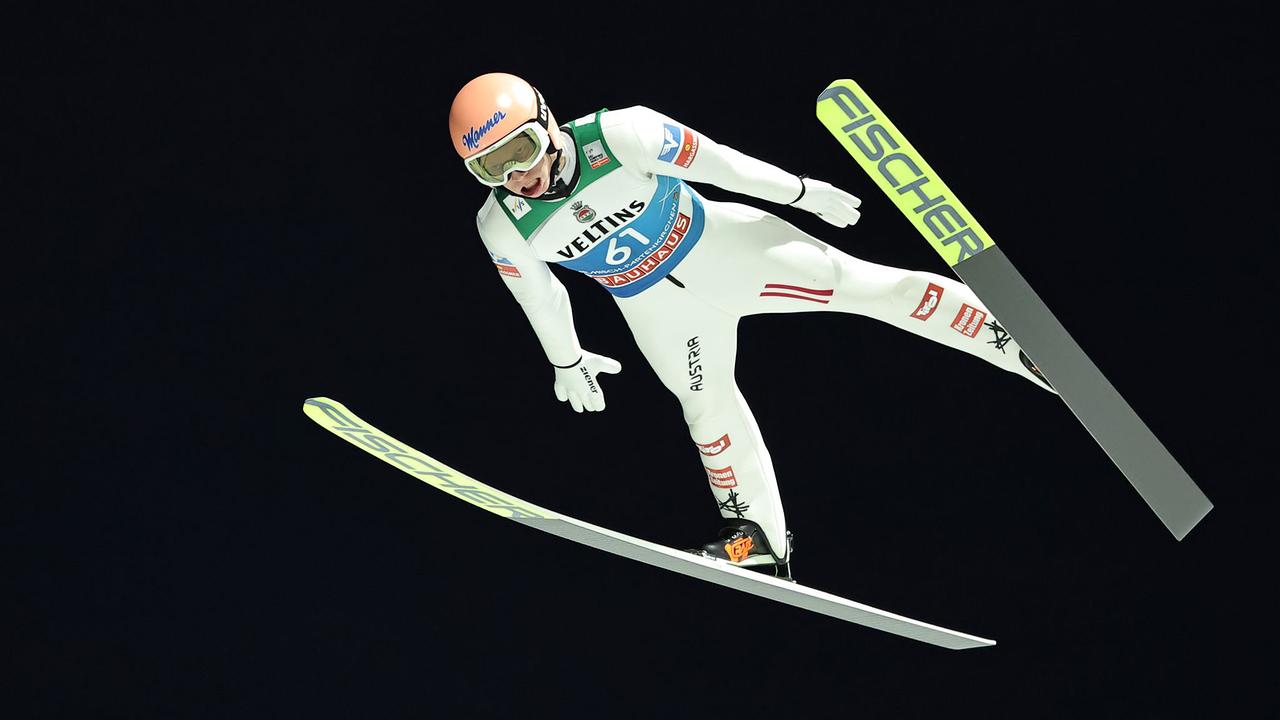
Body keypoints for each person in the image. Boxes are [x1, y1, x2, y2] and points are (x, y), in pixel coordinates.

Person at [449, 73, 1054, 580]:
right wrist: (567, 360)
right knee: (705, 407)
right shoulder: (503, 226)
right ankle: (757, 541)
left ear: (548, 122)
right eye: (490, 168)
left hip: (728, 252)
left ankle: (1012, 342)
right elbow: (542, 298)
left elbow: (718, 163)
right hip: (655, 309)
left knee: (867, 288)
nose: (516, 177)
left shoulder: (621, 132)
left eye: (521, 151)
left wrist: (800, 191)